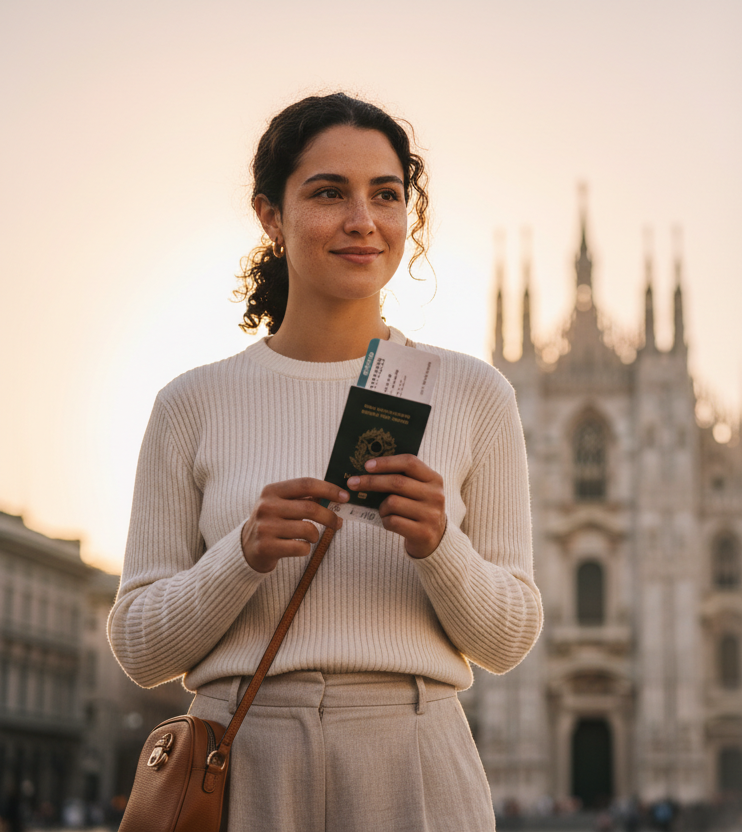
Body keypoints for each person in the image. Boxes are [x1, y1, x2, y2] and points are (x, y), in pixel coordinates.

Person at [108, 92, 543, 832]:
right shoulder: (191, 402)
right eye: (328, 193)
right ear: (271, 216)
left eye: (386, 195)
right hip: (241, 759)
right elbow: (140, 649)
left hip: (414, 756)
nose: (362, 220)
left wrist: (441, 546)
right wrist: (242, 554)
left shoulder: (475, 394)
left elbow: (507, 641)